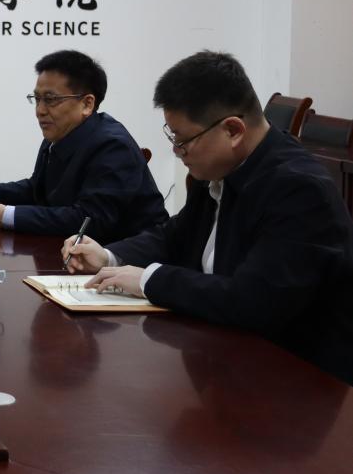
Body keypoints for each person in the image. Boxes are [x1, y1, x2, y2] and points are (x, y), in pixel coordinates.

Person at [64, 51, 353, 384]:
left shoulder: (300, 191)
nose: (177, 152)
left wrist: (149, 280)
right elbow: (174, 235)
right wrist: (109, 256)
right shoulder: (220, 168)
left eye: (183, 140)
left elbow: (252, 302)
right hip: (224, 359)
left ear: (233, 130)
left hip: (294, 382)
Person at [0, 49, 166, 241]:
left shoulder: (112, 147)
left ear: (87, 104)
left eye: (51, 100)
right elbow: (37, 189)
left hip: (129, 257)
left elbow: (89, 220)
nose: (40, 110)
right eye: (37, 99)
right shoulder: (59, 133)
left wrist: (6, 215)